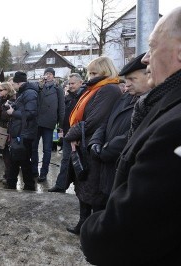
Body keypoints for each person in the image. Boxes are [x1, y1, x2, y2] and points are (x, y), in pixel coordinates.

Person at [80, 7, 181, 264]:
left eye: (153, 47)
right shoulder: (159, 103)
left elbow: (128, 230)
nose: (146, 59)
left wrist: (92, 229)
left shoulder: (174, 126)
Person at [64, 56, 122, 235]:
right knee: (83, 187)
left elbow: (93, 121)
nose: (90, 76)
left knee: (94, 191)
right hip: (84, 144)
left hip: (93, 146)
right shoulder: (95, 89)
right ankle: (83, 224)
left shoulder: (109, 90)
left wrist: (70, 135)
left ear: (105, 71)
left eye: (94, 72)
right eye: (89, 72)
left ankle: (93, 231)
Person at [88, 52, 150, 206]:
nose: (126, 84)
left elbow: (132, 135)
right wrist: (95, 142)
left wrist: (105, 150)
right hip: (107, 170)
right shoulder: (125, 97)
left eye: (132, 79)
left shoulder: (150, 104)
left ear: (149, 76)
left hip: (119, 166)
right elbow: (105, 122)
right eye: (126, 79)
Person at [49, 73, 85, 193]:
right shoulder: (69, 96)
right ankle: (61, 185)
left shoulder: (84, 96)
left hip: (79, 135)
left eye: (73, 83)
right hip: (67, 133)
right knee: (65, 160)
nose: (70, 86)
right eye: (69, 83)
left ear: (81, 82)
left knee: (80, 161)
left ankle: (80, 187)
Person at [5, 71, 38, 191]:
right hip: (20, 132)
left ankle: (28, 186)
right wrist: (13, 105)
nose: (12, 87)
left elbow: (31, 113)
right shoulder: (24, 92)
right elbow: (25, 108)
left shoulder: (29, 93)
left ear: (18, 83)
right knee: (16, 160)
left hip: (24, 133)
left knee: (23, 162)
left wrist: (12, 112)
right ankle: (12, 184)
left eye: (13, 84)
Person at [32, 67, 65, 182]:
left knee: (47, 149)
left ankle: (44, 173)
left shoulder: (58, 89)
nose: (48, 76)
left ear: (53, 76)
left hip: (50, 122)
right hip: (37, 122)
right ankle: (34, 170)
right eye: (46, 73)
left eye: (50, 74)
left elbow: (61, 107)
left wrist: (61, 124)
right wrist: (39, 85)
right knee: (33, 148)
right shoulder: (39, 87)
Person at [0, 82, 17, 183]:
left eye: (1, 90)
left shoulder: (12, 100)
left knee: (8, 154)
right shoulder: (2, 99)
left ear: (7, 90)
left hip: (8, 130)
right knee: (4, 153)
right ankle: (7, 175)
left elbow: (9, 115)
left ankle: (10, 177)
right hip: (2, 128)